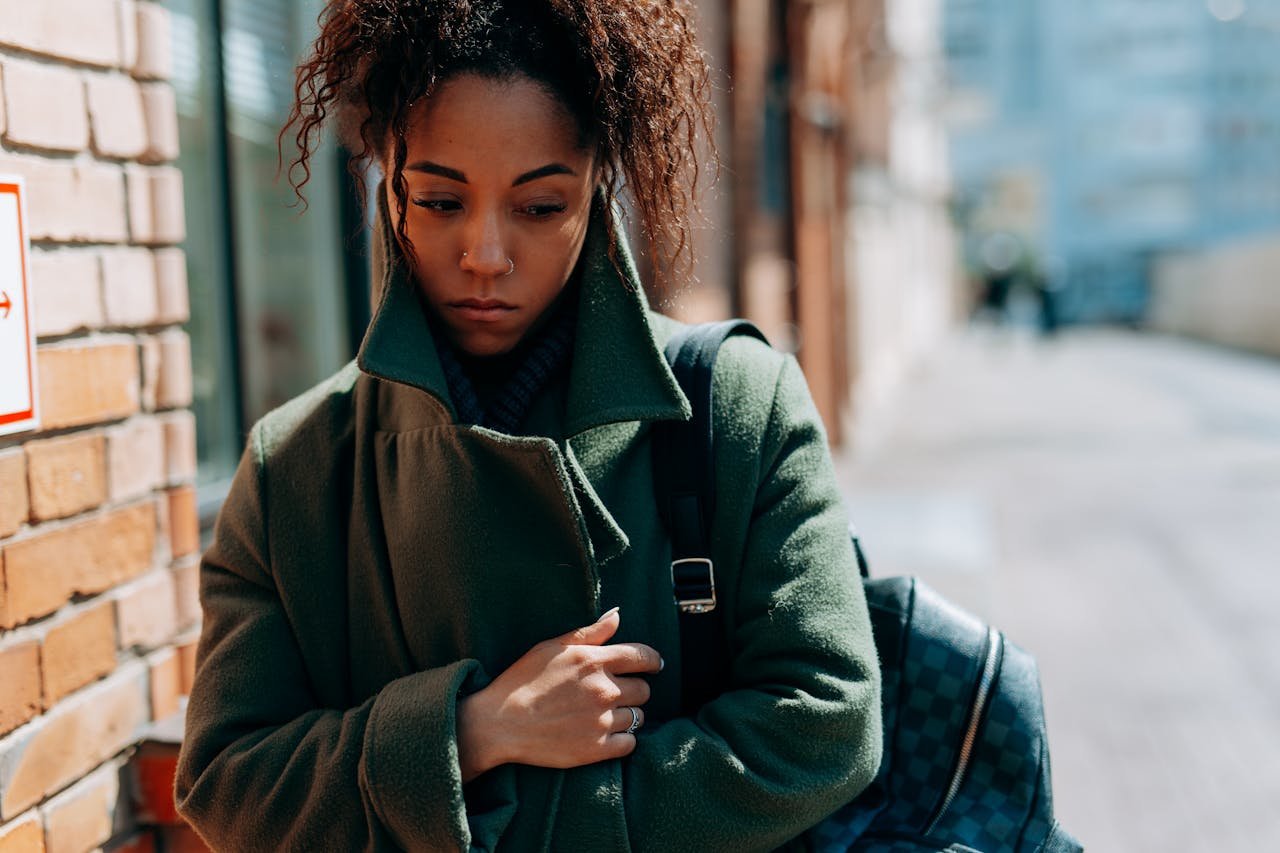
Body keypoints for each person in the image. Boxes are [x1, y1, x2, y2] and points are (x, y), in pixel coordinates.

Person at [174, 2, 881, 850]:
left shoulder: (735, 406)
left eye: (541, 206)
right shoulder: (296, 463)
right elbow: (225, 782)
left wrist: (529, 821)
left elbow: (828, 722)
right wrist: (471, 730)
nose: (485, 254)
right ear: (387, 181)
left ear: (598, 184)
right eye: (439, 201)